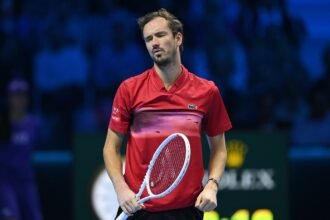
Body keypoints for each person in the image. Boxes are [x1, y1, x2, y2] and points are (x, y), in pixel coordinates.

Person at [103, 8, 232, 220]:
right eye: (148, 39)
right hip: (139, 208)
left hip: (186, 210)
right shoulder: (129, 89)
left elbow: (219, 149)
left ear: (178, 38)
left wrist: (212, 185)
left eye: (160, 35)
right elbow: (110, 148)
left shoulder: (207, 91)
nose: (154, 42)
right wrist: (120, 188)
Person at [0, 79, 43, 220]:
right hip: (6, 181)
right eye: (15, 95)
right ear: (9, 98)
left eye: (22, 95)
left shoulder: (34, 124)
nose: (19, 100)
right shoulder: (3, 123)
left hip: (26, 180)